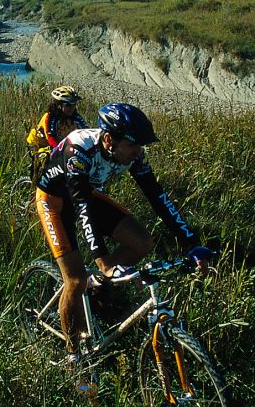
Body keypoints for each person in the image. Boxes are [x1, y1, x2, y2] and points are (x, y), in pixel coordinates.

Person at [33, 102, 211, 390]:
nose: (138, 153)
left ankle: (98, 285)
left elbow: (158, 198)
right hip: (55, 202)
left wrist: (192, 243)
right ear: (108, 140)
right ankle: (73, 355)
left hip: (86, 196)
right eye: (133, 146)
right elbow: (81, 209)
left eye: (141, 146)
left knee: (142, 243)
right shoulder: (78, 150)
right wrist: (103, 261)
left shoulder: (134, 154)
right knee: (75, 280)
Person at [25, 85, 88, 181]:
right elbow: (51, 137)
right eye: (68, 105)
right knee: (45, 167)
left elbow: (86, 132)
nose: (72, 108)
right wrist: (61, 153)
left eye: (74, 104)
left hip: (57, 145)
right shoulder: (50, 117)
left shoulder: (75, 117)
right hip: (37, 144)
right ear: (59, 105)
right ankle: (37, 187)